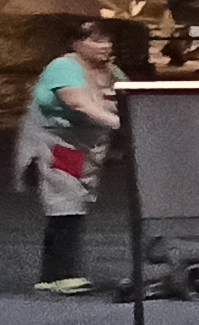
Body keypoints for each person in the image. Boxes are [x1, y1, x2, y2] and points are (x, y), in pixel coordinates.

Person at [14, 20, 124, 294]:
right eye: (96, 40)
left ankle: (49, 275)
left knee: (69, 205)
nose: (105, 46)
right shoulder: (64, 67)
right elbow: (78, 102)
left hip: (86, 148)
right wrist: (117, 122)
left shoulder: (111, 71)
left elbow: (131, 96)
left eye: (107, 40)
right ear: (76, 44)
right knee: (66, 203)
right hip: (60, 146)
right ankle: (64, 274)